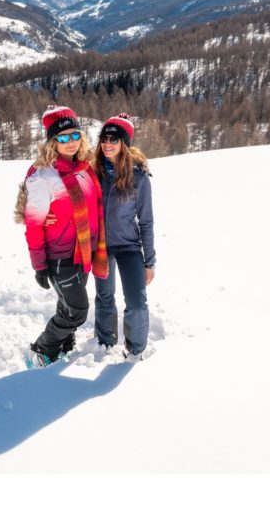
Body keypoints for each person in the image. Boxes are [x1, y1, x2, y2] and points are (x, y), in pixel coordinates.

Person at [16, 105, 108, 368]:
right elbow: (34, 225)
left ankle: (62, 346)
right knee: (78, 312)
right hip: (59, 256)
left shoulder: (84, 168)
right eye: (63, 137)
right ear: (52, 142)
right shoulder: (43, 176)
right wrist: (40, 265)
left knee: (67, 306)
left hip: (84, 252)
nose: (70, 142)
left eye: (74, 135)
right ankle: (41, 348)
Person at [92, 114, 155, 361]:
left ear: (124, 143)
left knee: (137, 303)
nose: (107, 144)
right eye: (104, 139)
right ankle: (105, 343)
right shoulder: (94, 171)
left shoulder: (138, 177)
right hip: (101, 247)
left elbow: (147, 221)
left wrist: (149, 262)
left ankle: (136, 349)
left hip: (129, 246)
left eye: (114, 139)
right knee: (105, 297)